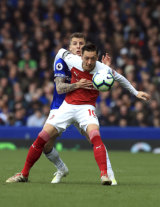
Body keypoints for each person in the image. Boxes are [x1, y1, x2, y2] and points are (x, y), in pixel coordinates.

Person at [6, 34, 117, 185]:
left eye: (81, 44)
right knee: (45, 143)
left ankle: (109, 175)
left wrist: (106, 68)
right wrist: (77, 85)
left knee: (94, 138)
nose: (78, 46)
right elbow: (59, 88)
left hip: (83, 107)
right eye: (75, 44)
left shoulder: (89, 63)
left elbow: (105, 81)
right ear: (69, 47)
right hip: (61, 107)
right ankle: (61, 168)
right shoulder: (62, 62)